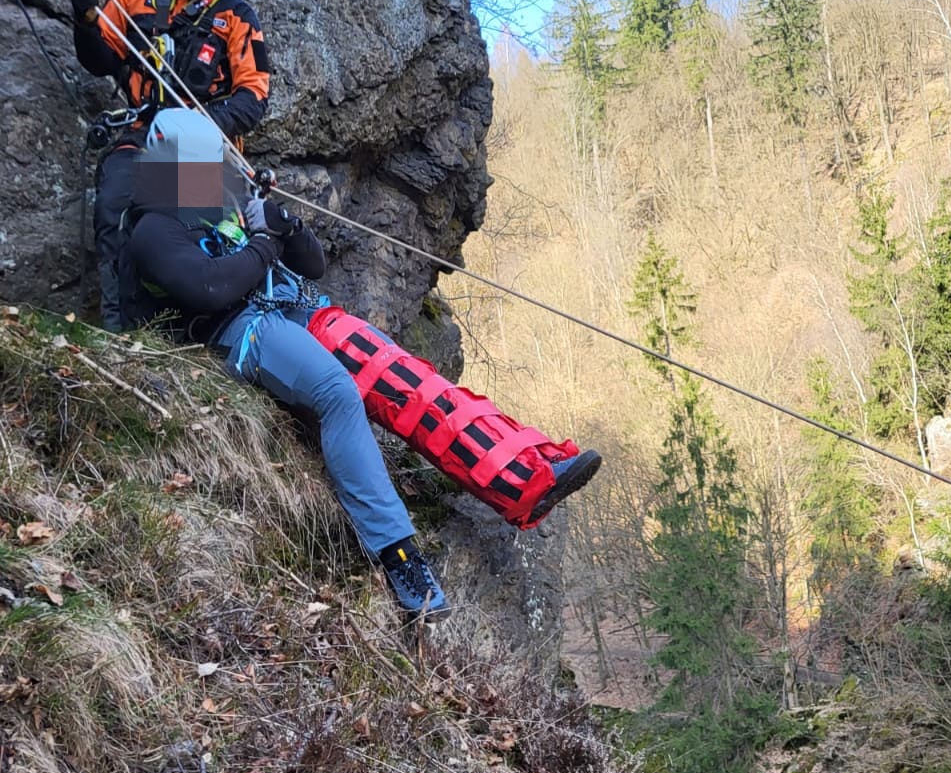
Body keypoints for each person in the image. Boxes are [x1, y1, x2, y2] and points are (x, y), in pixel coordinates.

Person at [119, 108, 603, 619]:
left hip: (298, 308)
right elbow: (210, 287)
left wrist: (284, 223)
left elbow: (312, 263)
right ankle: (401, 558)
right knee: (336, 392)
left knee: (406, 379)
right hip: (243, 329)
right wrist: (264, 243)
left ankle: (526, 475)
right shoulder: (153, 227)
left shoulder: (221, 203)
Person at [71, 0, 270, 331]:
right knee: (114, 208)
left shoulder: (236, 16)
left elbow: (254, 93)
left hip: (200, 145)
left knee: (175, 226)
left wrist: (198, 125)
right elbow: (102, 59)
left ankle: (177, 336)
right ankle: (120, 332)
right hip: (142, 130)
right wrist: (85, 23)